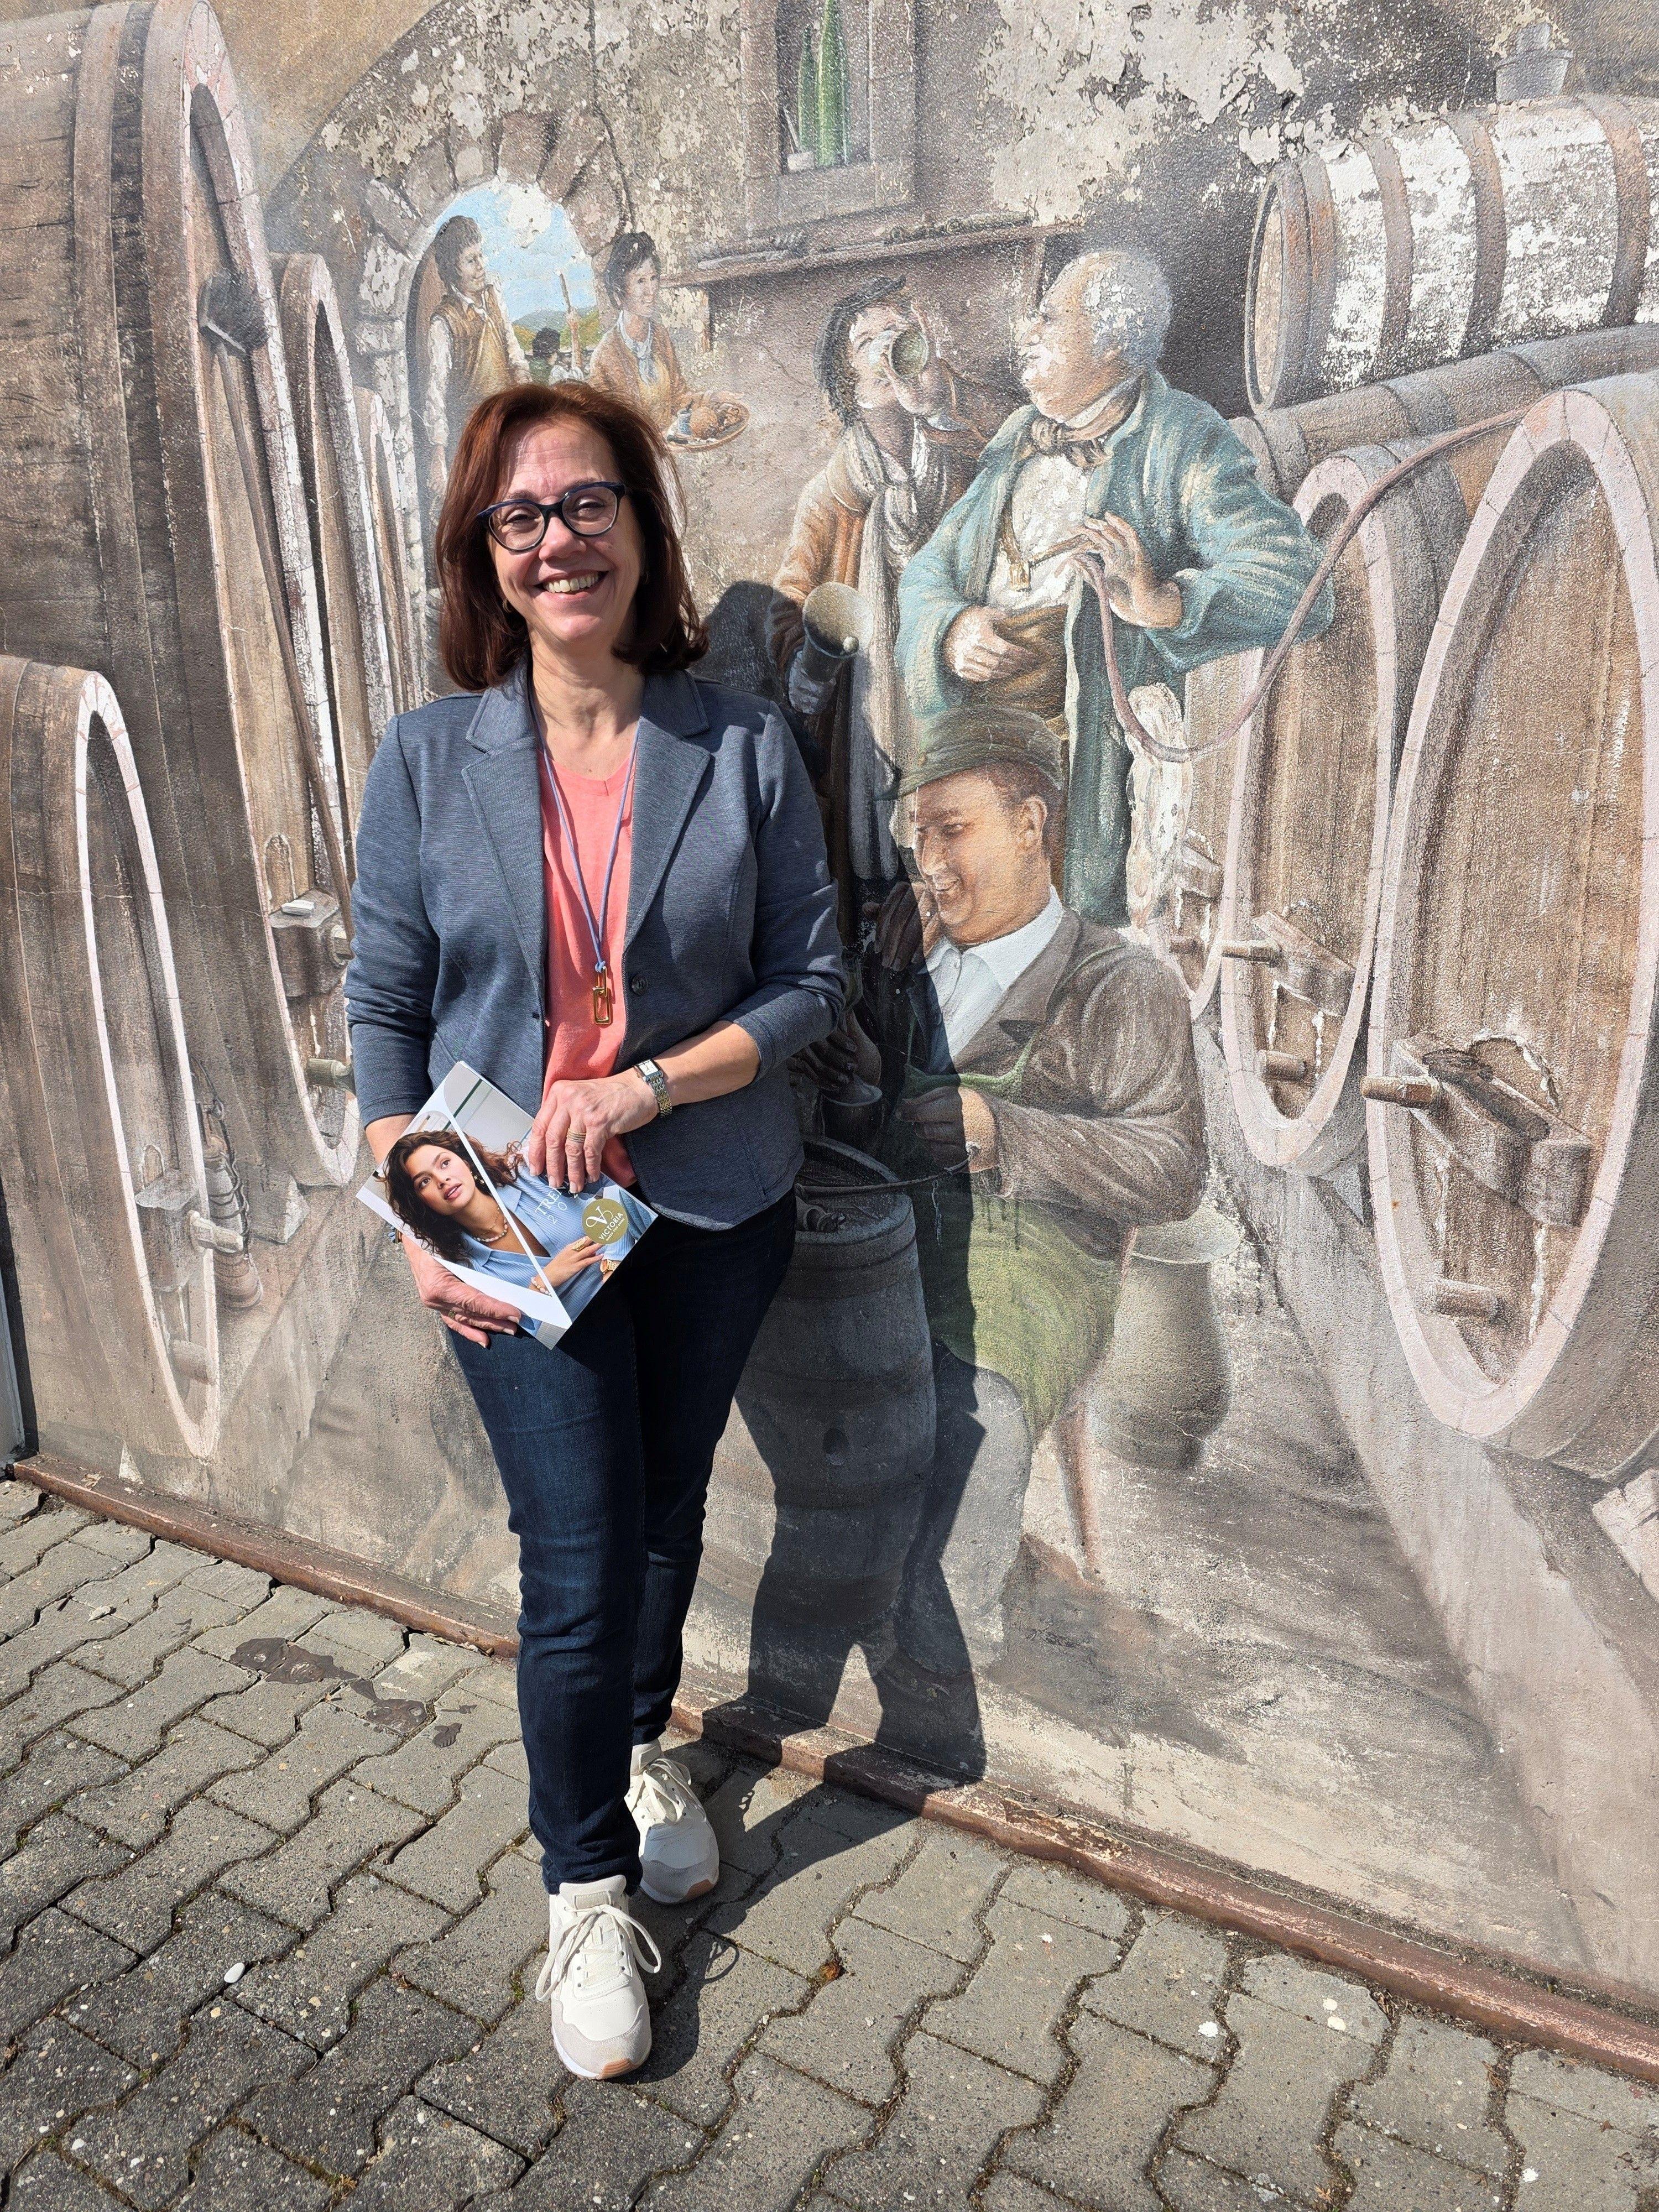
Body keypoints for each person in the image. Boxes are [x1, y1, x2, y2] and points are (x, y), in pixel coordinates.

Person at [345, 379, 842, 2081]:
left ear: (639, 524)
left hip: (710, 1196)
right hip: (509, 1214)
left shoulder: (738, 744)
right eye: (521, 513)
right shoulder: (428, 759)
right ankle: (584, 1887)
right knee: (575, 1553)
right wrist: (412, 1206)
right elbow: (384, 1012)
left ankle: (638, 1746)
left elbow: (810, 982)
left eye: (587, 502)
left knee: (667, 1503)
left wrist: (648, 1084)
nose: (558, 538)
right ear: (484, 553)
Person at [804, 702, 1206, 1684]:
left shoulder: (1120, 986)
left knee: (964, 1396)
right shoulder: (906, 953)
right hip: (877, 1219)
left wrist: (1008, 1132)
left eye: (953, 830)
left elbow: (1172, 1166)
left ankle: (936, 1659)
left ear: (1031, 826)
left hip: (1030, 1253)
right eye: (919, 837)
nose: (931, 864)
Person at [896, 249, 1333, 927]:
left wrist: (1167, 603)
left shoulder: (1180, 439)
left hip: (1083, 776)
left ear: (1112, 344)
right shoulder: (1022, 436)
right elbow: (928, 572)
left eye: (1050, 319)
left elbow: (1298, 581)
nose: (1027, 334)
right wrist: (951, 629)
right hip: (974, 754)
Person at [768, 275, 1004, 912]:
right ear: (847, 382)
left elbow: (1019, 440)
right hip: (874, 713)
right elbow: (789, 600)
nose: (883, 348)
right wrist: (803, 666)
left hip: (964, 687)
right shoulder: (831, 494)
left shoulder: (961, 453)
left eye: (896, 333)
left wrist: (937, 402)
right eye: (865, 341)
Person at [380, 1126, 651, 1326]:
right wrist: (544, 1282)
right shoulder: (464, 1269)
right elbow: (526, 1326)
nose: (442, 1179)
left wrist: (615, 1258)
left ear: (465, 1161)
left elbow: (616, 1193)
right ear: (420, 1203)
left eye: (445, 1163)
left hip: (641, 1266)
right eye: (424, 1182)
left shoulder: (528, 1169)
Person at [422, 215, 533, 503]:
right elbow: (436, 392)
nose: (481, 265)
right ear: (453, 269)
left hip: (509, 422)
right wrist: (438, 456)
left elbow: (512, 348)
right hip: (475, 435)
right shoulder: (444, 322)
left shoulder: (493, 296)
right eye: (471, 260)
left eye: (481, 256)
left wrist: (525, 390)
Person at [587, 232, 696, 430]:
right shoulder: (604, 356)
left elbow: (679, 396)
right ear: (619, 293)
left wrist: (711, 400)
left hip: (674, 444)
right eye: (641, 281)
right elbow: (607, 430)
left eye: (653, 278)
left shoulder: (660, 335)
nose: (651, 291)